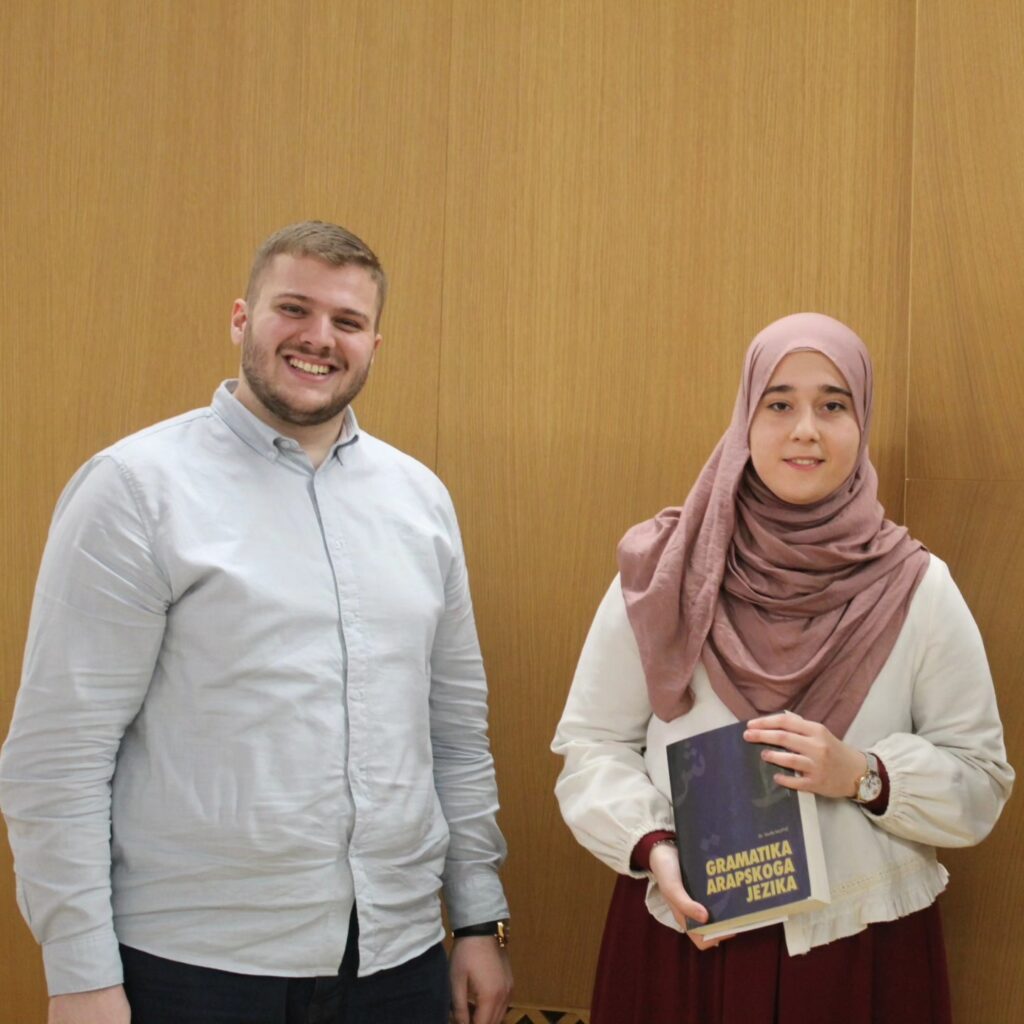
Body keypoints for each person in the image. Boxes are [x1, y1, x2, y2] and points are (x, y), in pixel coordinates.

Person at [0, 220, 512, 1024]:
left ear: (375, 344)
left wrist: (478, 920)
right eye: (293, 309)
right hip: (193, 970)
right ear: (242, 318)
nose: (319, 339)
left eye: (347, 321)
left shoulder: (420, 501)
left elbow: (453, 733)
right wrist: (79, 974)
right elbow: (59, 755)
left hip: (398, 959)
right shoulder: (135, 490)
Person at [552, 313, 1013, 1024]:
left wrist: (863, 774)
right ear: (745, 419)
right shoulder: (665, 571)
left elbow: (980, 779)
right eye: (778, 404)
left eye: (833, 405)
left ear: (861, 422)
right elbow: (592, 744)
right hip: (688, 932)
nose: (805, 430)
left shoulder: (918, 587)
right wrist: (652, 847)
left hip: (858, 945)